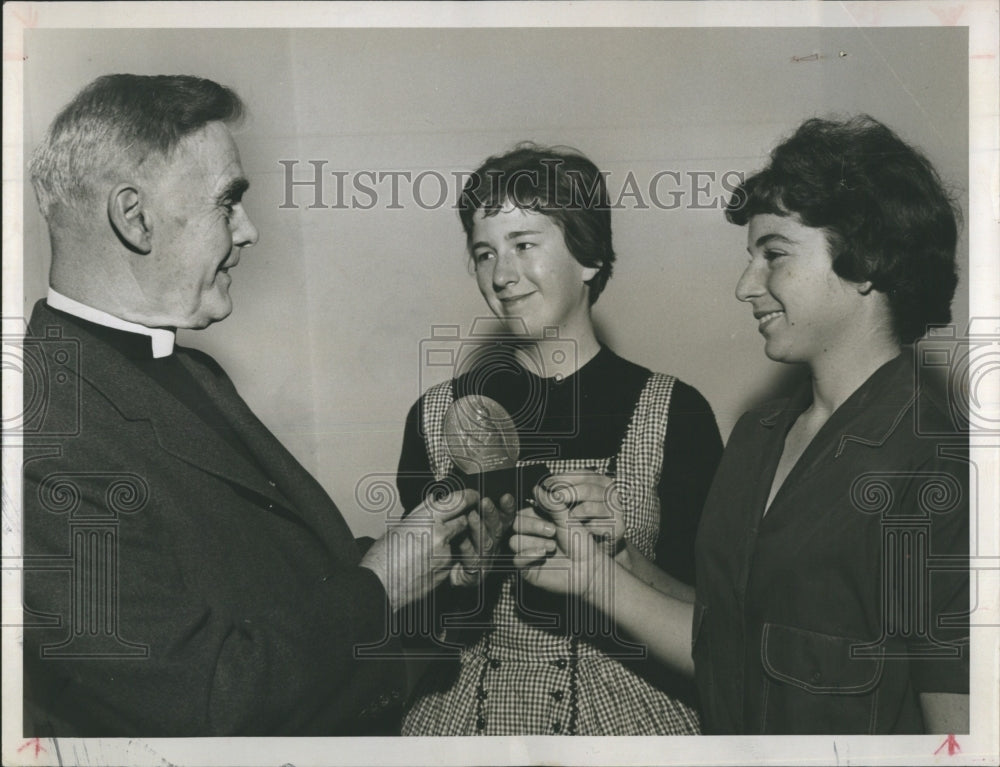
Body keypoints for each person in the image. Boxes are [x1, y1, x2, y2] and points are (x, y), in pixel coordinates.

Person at [21, 74, 478, 737]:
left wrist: (430, 557)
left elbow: (272, 579)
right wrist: (380, 586)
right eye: (227, 202)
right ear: (134, 217)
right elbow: (199, 704)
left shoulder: (188, 367)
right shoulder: (39, 433)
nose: (251, 229)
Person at [510, 116, 970, 734]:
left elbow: (959, 727)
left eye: (773, 255)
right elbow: (727, 650)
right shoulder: (760, 434)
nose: (744, 285)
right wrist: (600, 570)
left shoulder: (939, 466)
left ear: (866, 263)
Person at [397, 144, 723, 735]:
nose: (501, 275)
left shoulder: (675, 411)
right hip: (466, 725)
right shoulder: (437, 415)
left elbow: (718, 622)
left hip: (627, 722)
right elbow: (410, 620)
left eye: (525, 245)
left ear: (590, 257)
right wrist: (460, 579)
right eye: (484, 253)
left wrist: (621, 556)